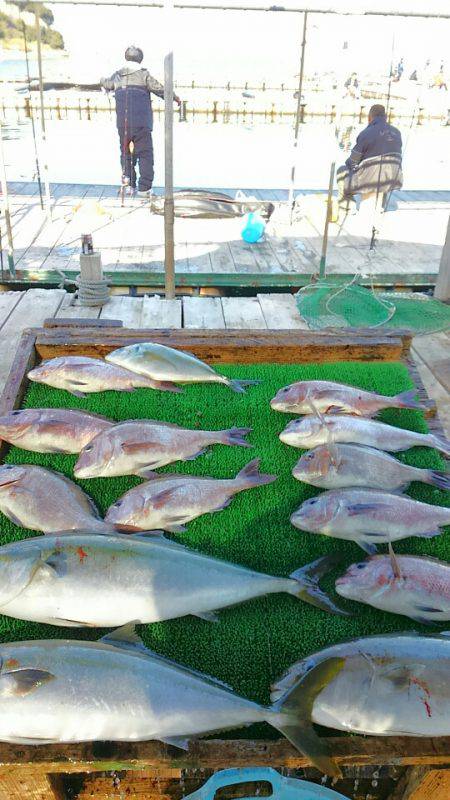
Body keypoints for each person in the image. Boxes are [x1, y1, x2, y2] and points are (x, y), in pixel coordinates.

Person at [101, 46, 181, 197]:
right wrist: (175, 97)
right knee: (145, 153)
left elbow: (107, 84)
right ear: (140, 59)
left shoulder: (117, 75)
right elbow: (161, 90)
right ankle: (144, 188)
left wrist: (101, 80)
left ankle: (129, 185)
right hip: (142, 123)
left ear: (126, 58)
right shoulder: (144, 75)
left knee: (125, 153)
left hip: (123, 122)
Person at [336, 104, 403, 210]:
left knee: (341, 171)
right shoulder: (397, 133)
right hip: (393, 179)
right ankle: (380, 205)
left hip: (369, 181)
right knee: (383, 172)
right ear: (385, 117)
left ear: (369, 117)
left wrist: (350, 165)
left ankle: (349, 205)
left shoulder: (365, 133)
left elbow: (353, 161)